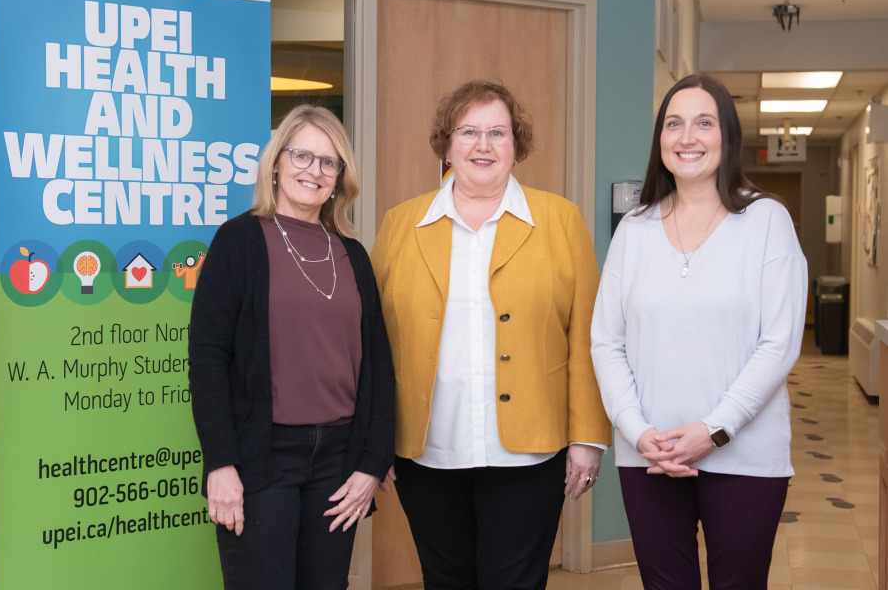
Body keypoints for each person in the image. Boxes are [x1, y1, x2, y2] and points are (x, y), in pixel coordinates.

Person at [371, 80, 611, 590]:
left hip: (529, 453)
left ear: (516, 145)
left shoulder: (560, 220)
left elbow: (590, 336)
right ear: (447, 143)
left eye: (497, 133)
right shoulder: (400, 225)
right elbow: (374, 344)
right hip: (427, 450)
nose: (482, 145)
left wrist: (587, 437)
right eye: (469, 131)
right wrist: (373, 444)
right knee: (444, 579)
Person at [591, 73, 807, 589]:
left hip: (745, 456)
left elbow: (779, 344)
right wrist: (637, 431)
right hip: (650, 453)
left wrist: (714, 430)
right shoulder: (635, 229)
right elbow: (606, 341)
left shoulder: (766, 221)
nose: (687, 137)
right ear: (660, 140)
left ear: (726, 136)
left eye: (703, 123)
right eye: (674, 123)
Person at [188, 104, 394, 589]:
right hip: (263, 457)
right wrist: (220, 462)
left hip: (339, 462)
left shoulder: (354, 254)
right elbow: (208, 360)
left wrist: (372, 462)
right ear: (276, 163)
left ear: (340, 178)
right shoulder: (238, 241)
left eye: (328, 162)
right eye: (302, 156)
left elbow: (380, 367)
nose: (314, 171)